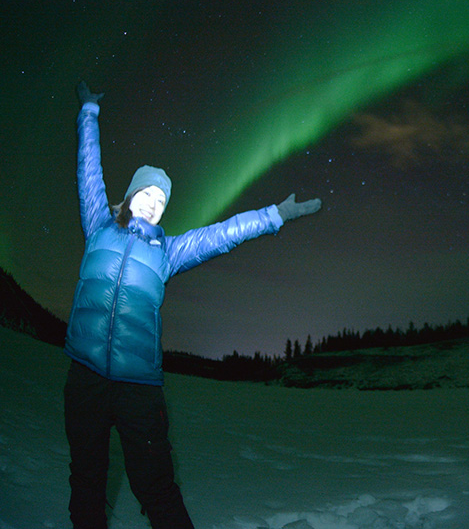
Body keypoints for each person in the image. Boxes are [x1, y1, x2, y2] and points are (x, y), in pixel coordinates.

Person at [63, 81, 321, 529]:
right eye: (147, 194)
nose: (153, 204)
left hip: (138, 388)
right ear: (131, 196)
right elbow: (89, 170)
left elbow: (221, 234)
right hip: (84, 378)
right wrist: (89, 112)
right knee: (87, 482)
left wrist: (274, 216)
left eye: (161, 201)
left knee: (156, 488)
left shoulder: (167, 252)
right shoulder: (99, 225)